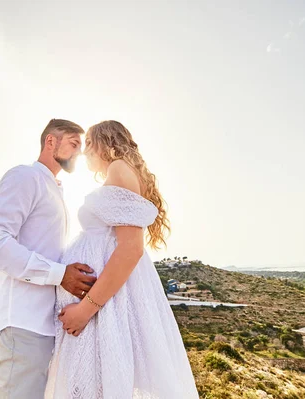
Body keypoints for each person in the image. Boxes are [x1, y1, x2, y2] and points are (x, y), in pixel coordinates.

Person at [45, 120, 199, 398]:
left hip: (105, 304)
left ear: (106, 142)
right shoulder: (120, 173)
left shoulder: (118, 170)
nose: (85, 152)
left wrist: (85, 310)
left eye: (89, 143)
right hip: (105, 302)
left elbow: (130, 249)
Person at [0, 119, 97, 399]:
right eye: (74, 144)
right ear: (50, 142)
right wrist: (60, 274)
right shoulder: (25, 176)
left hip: (46, 323)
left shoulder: (55, 189)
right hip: (23, 319)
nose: (79, 152)